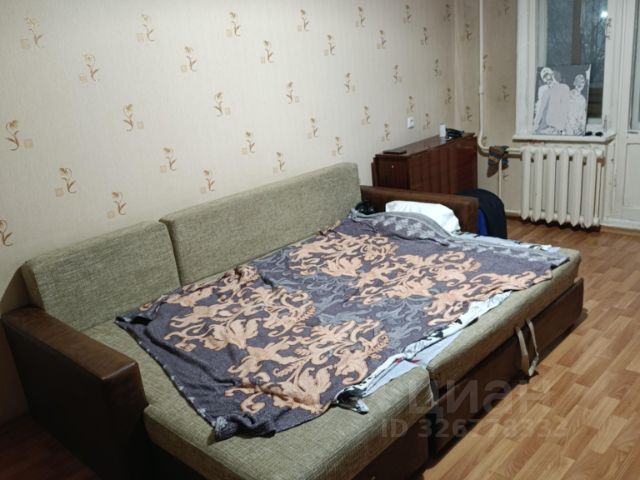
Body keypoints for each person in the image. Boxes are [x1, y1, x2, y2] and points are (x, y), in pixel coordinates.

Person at [534, 70, 571, 135]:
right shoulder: (546, 93)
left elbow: (567, 108)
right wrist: (535, 126)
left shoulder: (564, 88)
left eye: (549, 76)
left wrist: (564, 126)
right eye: (545, 78)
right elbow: (541, 110)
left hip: (561, 127)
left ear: (553, 76)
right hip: (549, 128)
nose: (548, 79)